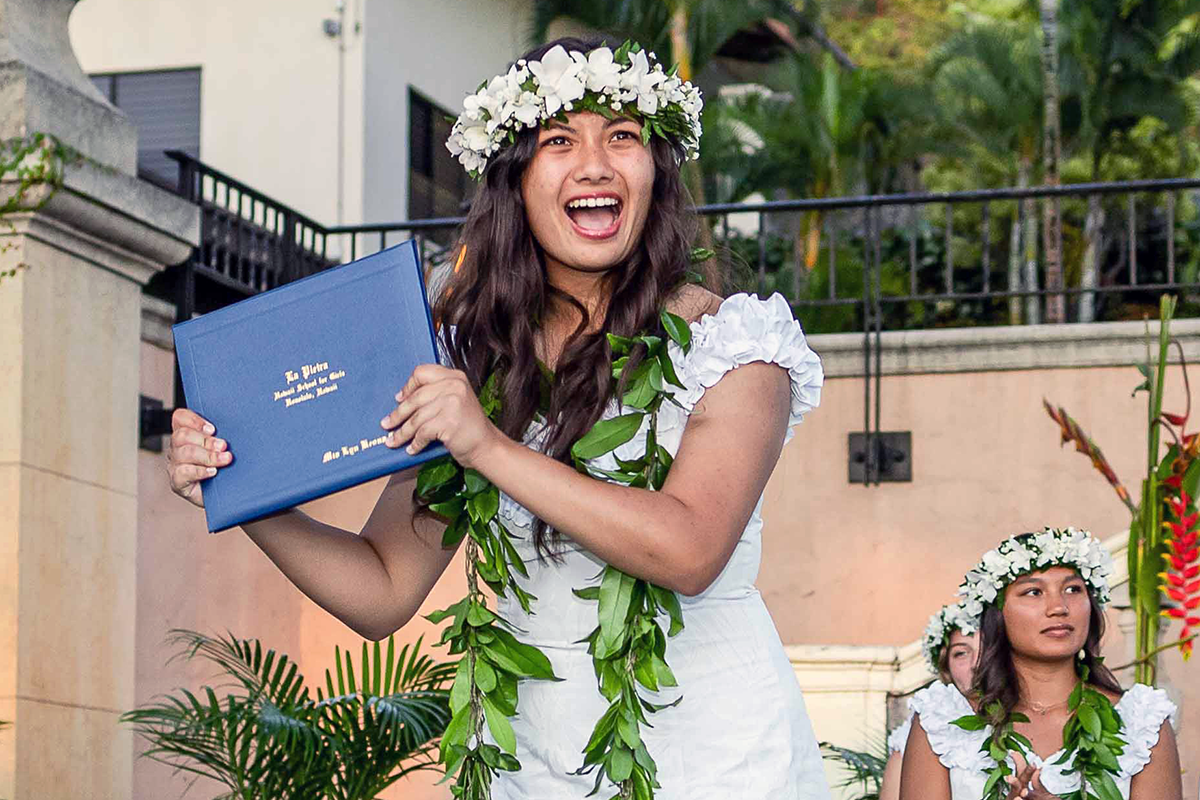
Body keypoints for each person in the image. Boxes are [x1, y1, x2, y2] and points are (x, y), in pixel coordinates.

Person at [165, 37, 831, 799]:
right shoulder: (469, 368)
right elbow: (382, 591)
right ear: (513, 183)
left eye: (622, 136)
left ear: (657, 172)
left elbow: (688, 548)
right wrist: (242, 489)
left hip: (716, 759)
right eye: (558, 140)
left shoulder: (736, 345)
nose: (594, 163)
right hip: (533, 766)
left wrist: (484, 446)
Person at [899, 528, 1183, 800]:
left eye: (1073, 589)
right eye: (1034, 592)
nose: (1059, 607)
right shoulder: (941, 721)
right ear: (999, 615)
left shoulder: (1141, 724)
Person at [879, 602, 981, 800]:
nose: (976, 664)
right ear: (946, 667)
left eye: (986, 650)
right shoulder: (923, 729)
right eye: (961, 653)